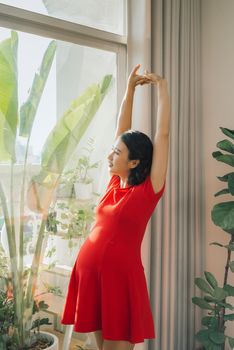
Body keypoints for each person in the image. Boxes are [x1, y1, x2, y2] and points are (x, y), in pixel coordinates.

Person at [61, 64, 170, 350]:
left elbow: (163, 136)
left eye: (117, 153)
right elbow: (122, 128)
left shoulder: (148, 190)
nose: (110, 155)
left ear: (134, 161)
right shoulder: (114, 183)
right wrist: (130, 90)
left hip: (120, 281)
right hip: (92, 277)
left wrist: (162, 89)